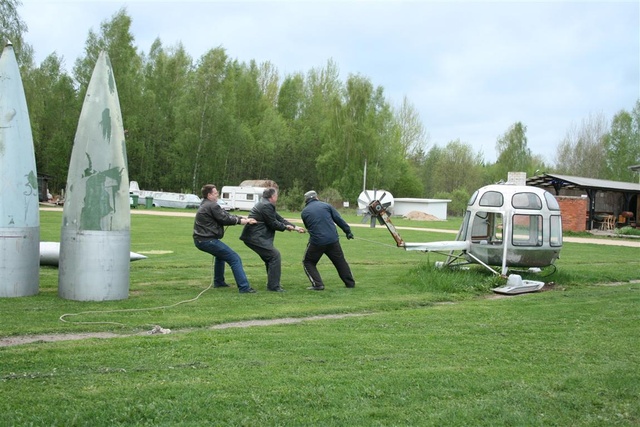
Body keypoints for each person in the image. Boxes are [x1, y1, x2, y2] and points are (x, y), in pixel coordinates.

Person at [193, 184, 258, 293]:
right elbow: (225, 219)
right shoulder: (212, 205)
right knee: (234, 258)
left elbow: (224, 214)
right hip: (207, 240)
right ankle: (244, 288)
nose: (217, 194)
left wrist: (242, 218)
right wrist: (243, 221)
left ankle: (219, 282)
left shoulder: (206, 204)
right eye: (215, 193)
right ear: (209, 195)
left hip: (201, 239)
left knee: (221, 257)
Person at [240, 187, 305, 292]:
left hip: (254, 237)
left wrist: (296, 228)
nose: (277, 197)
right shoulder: (266, 205)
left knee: (270, 258)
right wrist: (285, 227)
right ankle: (274, 286)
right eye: (276, 195)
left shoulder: (265, 204)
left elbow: (279, 219)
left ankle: (273, 284)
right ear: (272, 197)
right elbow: (273, 223)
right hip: (255, 237)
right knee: (275, 256)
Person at [300, 190, 355, 290]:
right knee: (340, 262)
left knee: (308, 262)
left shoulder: (304, 212)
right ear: (316, 197)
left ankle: (318, 284)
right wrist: (348, 231)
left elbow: (309, 227)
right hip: (333, 240)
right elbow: (338, 219)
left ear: (306, 200)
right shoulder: (326, 206)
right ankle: (350, 283)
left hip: (317, 242)